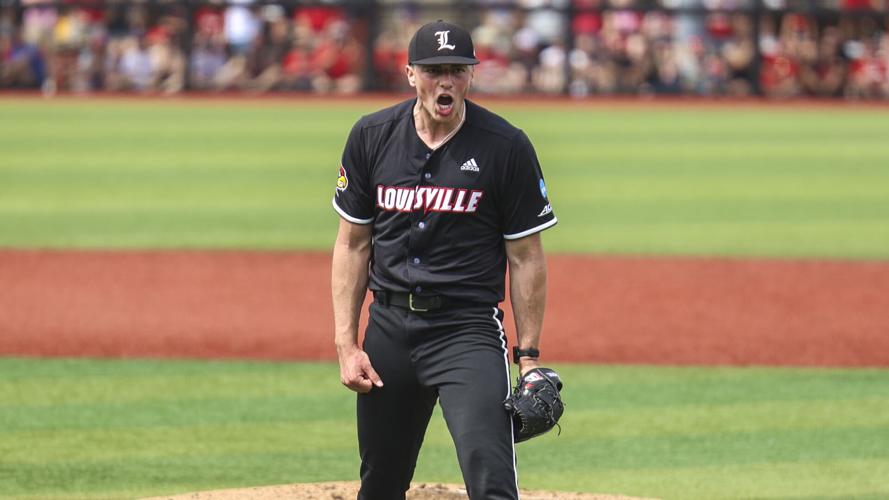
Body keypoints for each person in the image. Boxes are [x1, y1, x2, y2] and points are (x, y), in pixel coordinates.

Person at [330, 19, 557, 500]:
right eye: (433, 70)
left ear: (472, 76)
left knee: (491, 479)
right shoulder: (372, 136)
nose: (445, 80)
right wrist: (347, 346)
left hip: (467, 332)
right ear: (410, 73)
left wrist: (530, 359)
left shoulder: (506, 146)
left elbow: (526, 256)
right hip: (388, 328)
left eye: (457, 69)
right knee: (381, 484)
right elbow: (352, 244)